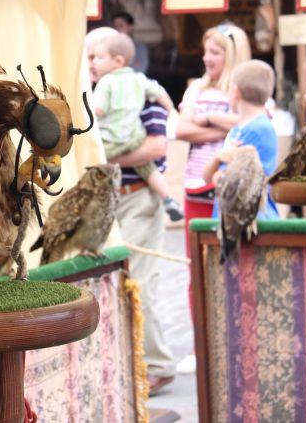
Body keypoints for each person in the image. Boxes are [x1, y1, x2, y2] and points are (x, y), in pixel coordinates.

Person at [86, 27, 177, 396]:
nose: (91, 63)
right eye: (88, 56)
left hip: (138, 196)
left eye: (96, 56)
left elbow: (156, 146)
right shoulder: (95, 95)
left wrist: (105, 155)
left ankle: (157, 365)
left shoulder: (142, 92)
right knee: (109, 283)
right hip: (107, 197)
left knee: (139, 280)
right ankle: (127, 360)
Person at [174, 22, 250, 374]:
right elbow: (182, 129)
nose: (207, 58)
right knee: (197, 268)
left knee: (235, 266)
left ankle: (237, 340)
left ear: (231, 54)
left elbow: (250, 123)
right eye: (206, 51)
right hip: (195, 188)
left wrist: (204, 120)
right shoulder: (195, 90)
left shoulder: (245, 89)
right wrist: (221, 122)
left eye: (215, 52)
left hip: (231, 190)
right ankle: (200, 345)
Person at [92, 33, 184, 221]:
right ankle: (168, 198)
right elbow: (159, 93)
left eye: (98, 58)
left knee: (93, 156)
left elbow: (97, 111)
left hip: (108, 139)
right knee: (147, 167)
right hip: (134, 138)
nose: (94, 63)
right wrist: (172, 110)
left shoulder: (106, 82)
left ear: (118, 61)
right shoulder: (140, 79)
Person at [202, 60, 279, 219]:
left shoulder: (260, 129)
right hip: (228, 214)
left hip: (252, 218)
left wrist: (219, 175)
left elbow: (236, 183)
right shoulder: (237, 130)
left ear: (235, 91)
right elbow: (208, 177)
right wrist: (217, 157)